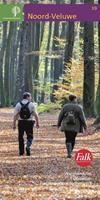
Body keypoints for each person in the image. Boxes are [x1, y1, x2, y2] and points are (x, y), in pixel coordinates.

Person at [13, 92, 39, 156]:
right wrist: (37, 123)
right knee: (30, 136)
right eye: (30, 97)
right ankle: (28, 146)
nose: (30, 98)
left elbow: (15, 115)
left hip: (21, 122)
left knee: (20, 137)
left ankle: (21, 152)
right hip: (29, 122)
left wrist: (14, 124)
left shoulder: (18, 104)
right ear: (27, 97)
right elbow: (36, 115)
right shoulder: (31, 104)